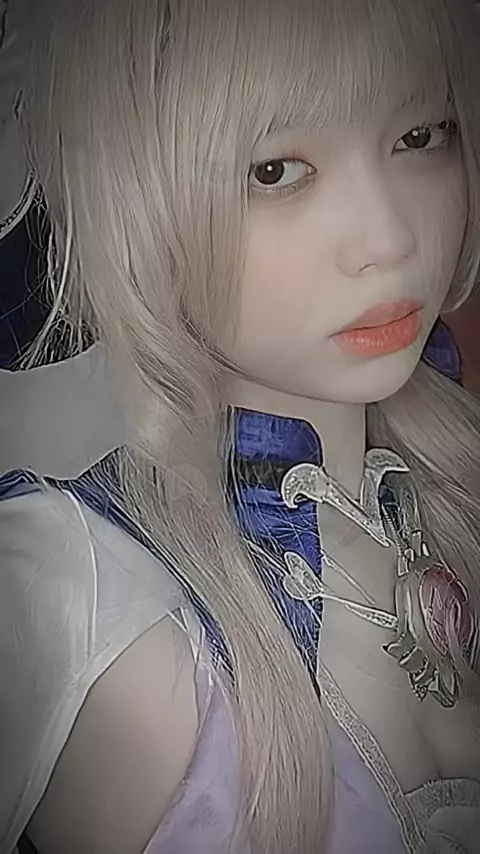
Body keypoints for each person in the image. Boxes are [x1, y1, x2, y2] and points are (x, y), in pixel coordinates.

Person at [1, 1, 480, 852]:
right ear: (134, 190)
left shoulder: (458, 470)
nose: (389, 237)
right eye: (275, 170)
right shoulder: (83, 597)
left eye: (420, 135)